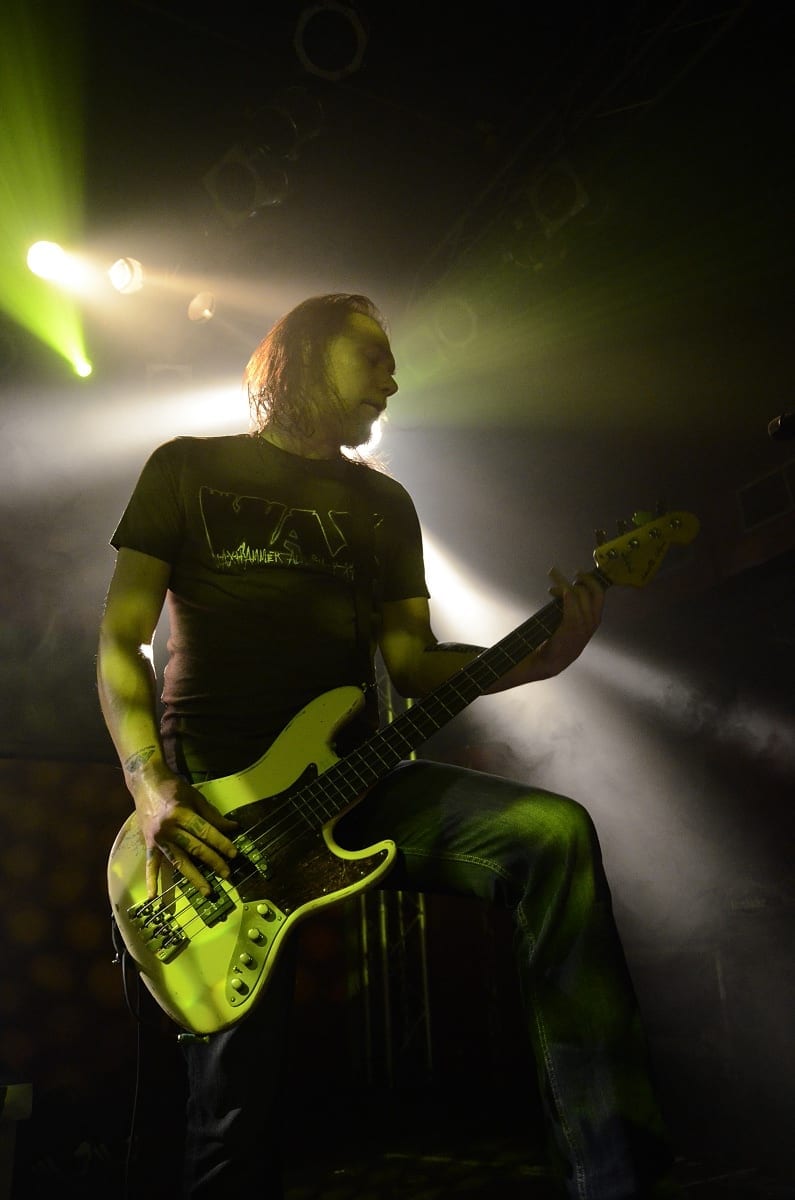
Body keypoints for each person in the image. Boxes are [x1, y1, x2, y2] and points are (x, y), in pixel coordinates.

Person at [97, 293, 679, 1199]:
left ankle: (616, 1178)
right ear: (303, 357)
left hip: (359, 784)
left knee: (554, 834)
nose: (392, 380)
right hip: (220, 815)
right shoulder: (187, 469)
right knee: (234, 1108)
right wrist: (151, 785)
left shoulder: (382, 503)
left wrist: (541, 655)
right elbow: (121, 638)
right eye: (372, 357)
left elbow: (411, 662)